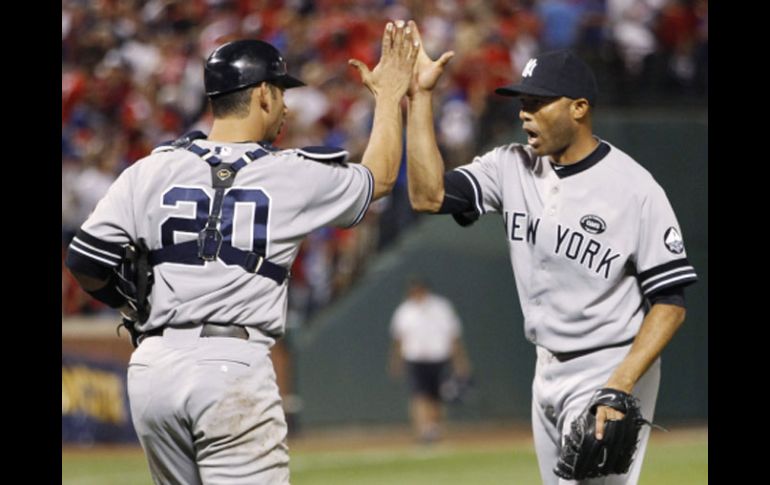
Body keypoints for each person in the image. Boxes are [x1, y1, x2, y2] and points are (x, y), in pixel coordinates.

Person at [65, 23, 418, 485]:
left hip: (154, 369)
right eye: (281, 92)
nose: (286, 105)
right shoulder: (291, 174)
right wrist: (390, 98)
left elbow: (86, 260)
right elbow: (381, 177)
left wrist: (134, 304)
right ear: (263, 96)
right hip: (231, 367)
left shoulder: (152, 168)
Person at [403, 20, 698, 485]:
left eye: (538, 104)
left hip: (610, 361)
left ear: (580, 108)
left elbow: (670, 302)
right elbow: (427, 196)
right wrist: (420, 99)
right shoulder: (510, 166)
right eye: (523, 103)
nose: (524, 114)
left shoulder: (634, 188)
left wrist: (620, 383)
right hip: (546, 366)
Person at [388, 276, 471, 443]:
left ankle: (435, 430)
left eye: (418, 290)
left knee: (437, 397)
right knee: (419, 395)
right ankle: (422, 432)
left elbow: (453, 336)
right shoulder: (405, 311)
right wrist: (396, 362)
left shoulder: (441, 307)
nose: (415, 294)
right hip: (415, 358)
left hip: (438, 357)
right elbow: (398, 339)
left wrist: (460, 361)